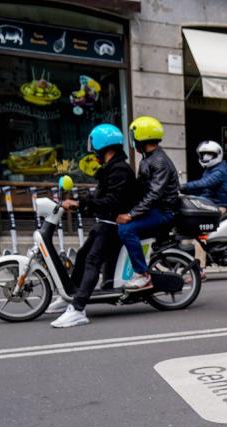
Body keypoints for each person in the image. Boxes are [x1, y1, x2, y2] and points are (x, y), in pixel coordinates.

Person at [49, 124, 140, 328]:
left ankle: (78, 309)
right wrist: (80, 202)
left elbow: (112, 201)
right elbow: (101, 196)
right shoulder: (112, 168)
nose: (92, 150)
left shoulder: (120, 170)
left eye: (93, 145)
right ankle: (70, 295)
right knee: (82, 256)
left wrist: (81, 203)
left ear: (101, 144)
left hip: (113, 225)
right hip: (105, 222)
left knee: (92, 261)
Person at [116, 115, 180, 291]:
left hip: (163, 212)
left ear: (141, 137)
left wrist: (131, 215)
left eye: (133, 136)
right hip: (153, 210)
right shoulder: (148, 158)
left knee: (126, 229)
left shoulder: (159, 161)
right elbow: (140, 189)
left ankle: (142, 275)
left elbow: (154, 194)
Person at [181, 140, 227, 277]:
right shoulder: (210, 169)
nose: (206, 157)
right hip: (209, 205)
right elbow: (203, 188)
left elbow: (205, 183)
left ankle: (200, 269)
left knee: (201, 235)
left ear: (218, 154)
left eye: (210, 154)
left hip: (218, 206)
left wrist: (184, 186)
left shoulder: (219, 171)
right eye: (203, 154)